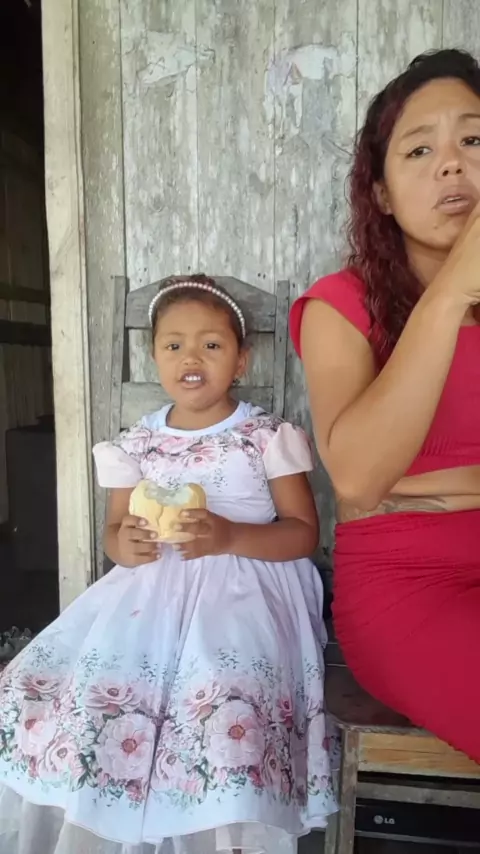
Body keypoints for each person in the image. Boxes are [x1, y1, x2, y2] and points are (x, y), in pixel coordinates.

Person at [0, 274, 336, 854]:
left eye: (212, 344)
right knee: (88, 688)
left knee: (220, 694)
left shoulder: (265, 437)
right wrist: (124, 544)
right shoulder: (136, 444)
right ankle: (115, 809)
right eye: (174, 344)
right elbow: (115, 531)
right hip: (148, 594)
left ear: (241, 360)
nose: (191, 358)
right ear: (154, 356)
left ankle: (218, 823)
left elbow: (303, 534)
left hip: (246, 587)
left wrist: (230, 535)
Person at [290, 47, 480, 763]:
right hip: (411, 583)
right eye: (420, 149)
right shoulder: (342, 305)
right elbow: (361, 477)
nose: (452, 164)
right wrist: (454, 288)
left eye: (474, 139)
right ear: (383, 194)